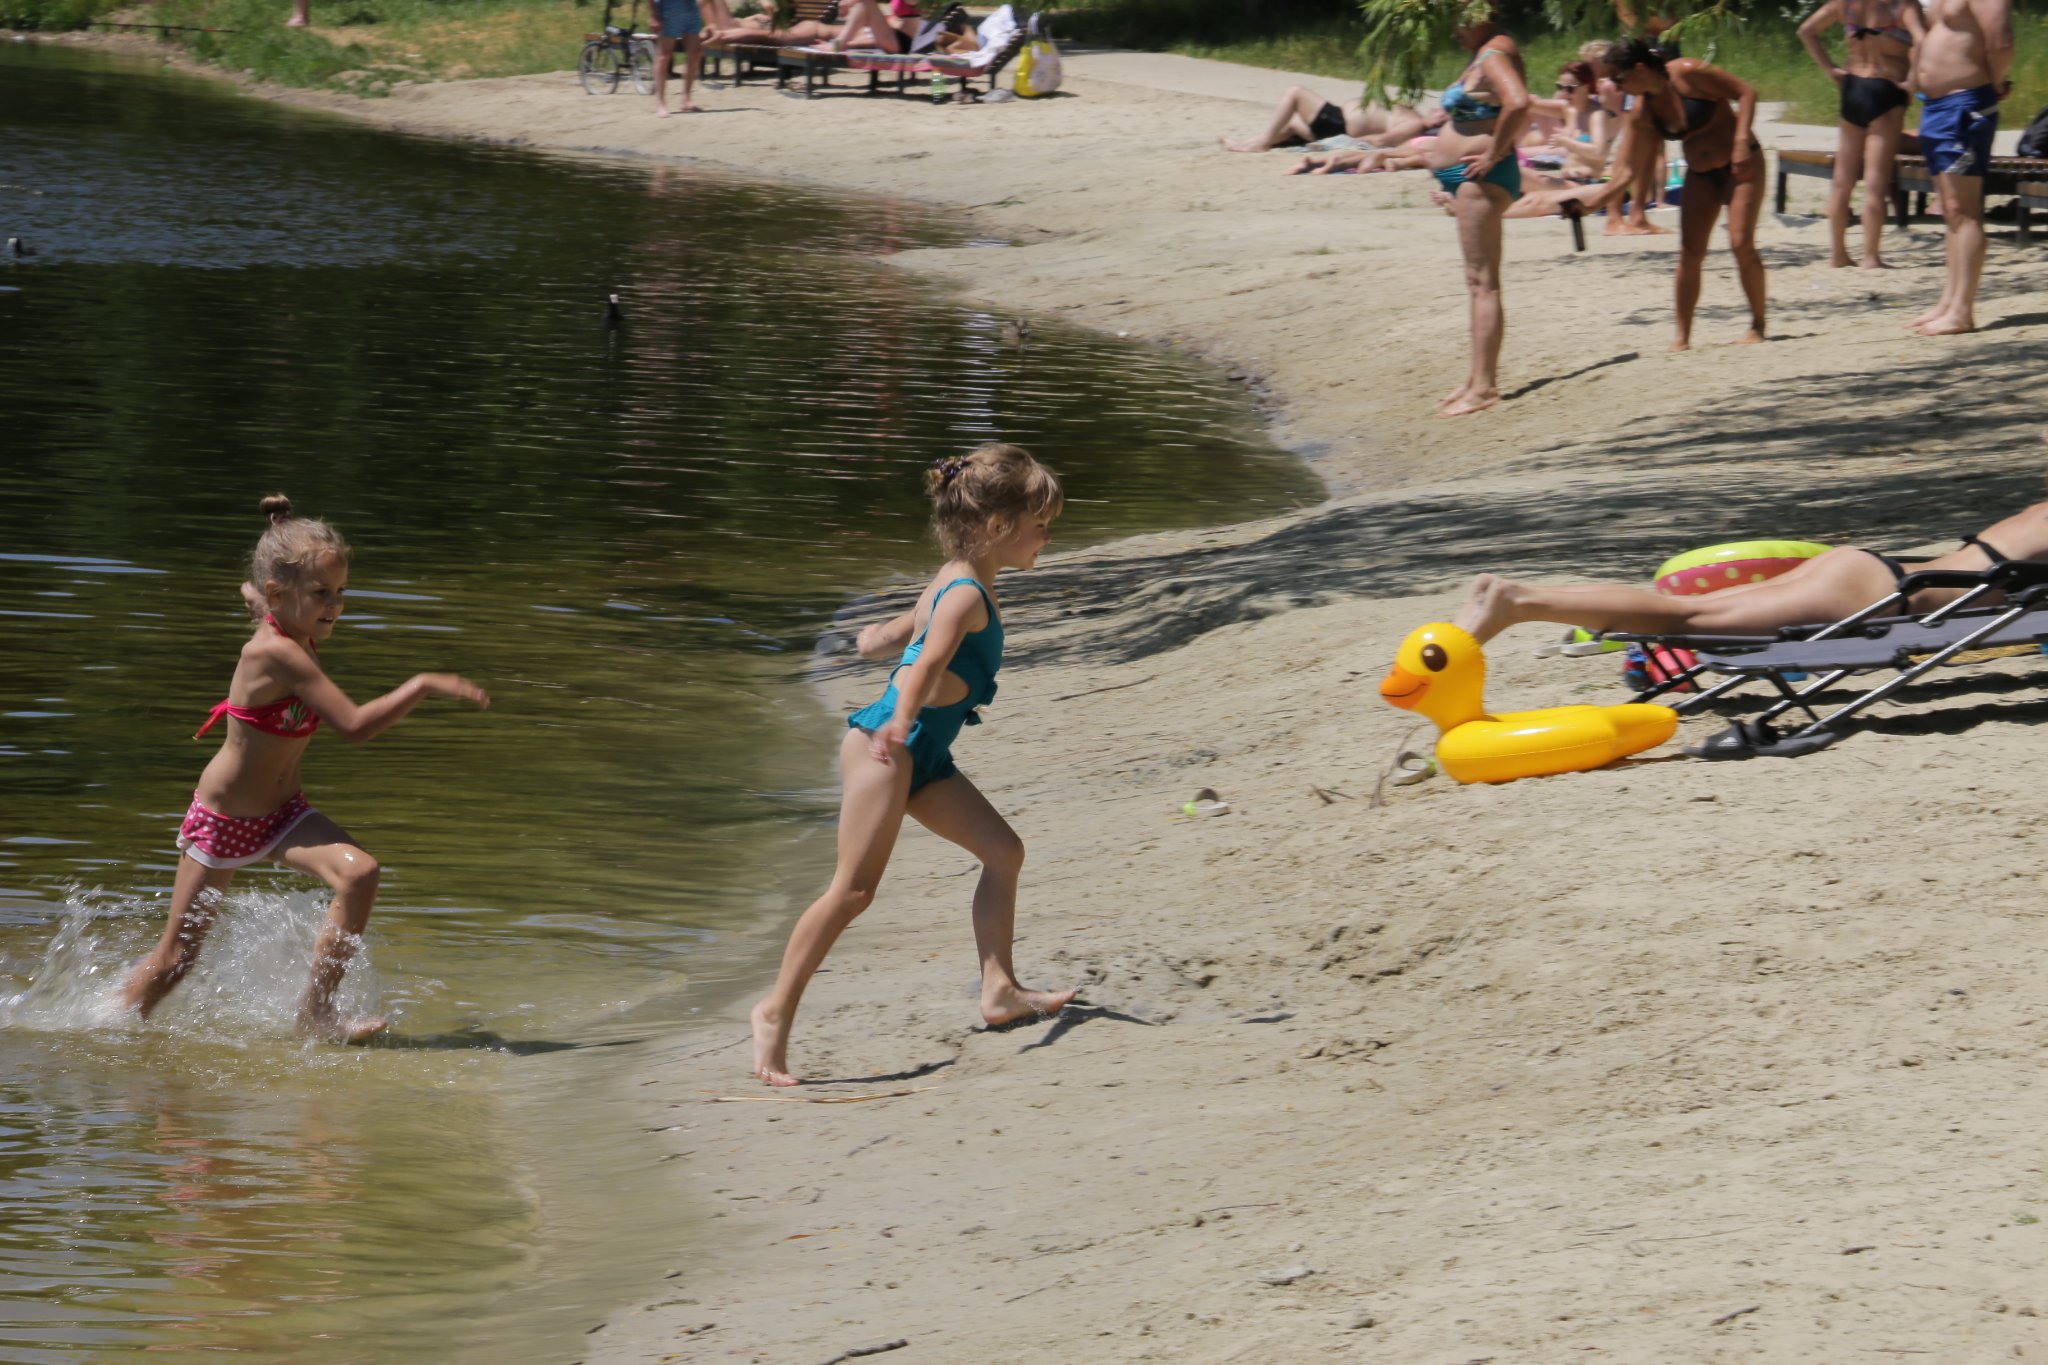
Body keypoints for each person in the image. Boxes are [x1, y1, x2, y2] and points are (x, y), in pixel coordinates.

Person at [750, 444, 1076, 1087]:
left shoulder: (962, 576)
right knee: (853, 891)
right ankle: (773, 1011)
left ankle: (1000, 991)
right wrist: (900, 713)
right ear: (996, 527)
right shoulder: (964, 594)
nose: (1047, 534)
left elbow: (915, 623)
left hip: (921, 754)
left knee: (1003, 852)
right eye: (1039, 521)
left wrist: (879, 635)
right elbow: (928, 661)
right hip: (888, 750)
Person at [121, 496, 489, 1043]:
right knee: (176, 961)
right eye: (322, 594)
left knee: (360, 874)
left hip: (283, 813)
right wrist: (422, 685)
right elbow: (356, 726)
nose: (336, 605)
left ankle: (316, 1012)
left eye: (341, 593)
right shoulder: (279, 653)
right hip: (223, 820)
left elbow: (256, 597)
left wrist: (271, 563)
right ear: (281, 595)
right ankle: (105, 1027)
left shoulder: (293, 629)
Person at [1450, 498, 2048, 646]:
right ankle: (1519, 604)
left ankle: (1520, 596)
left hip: (1869, 567)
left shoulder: (2037, 511)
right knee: (1692, 616)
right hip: (1886, 595)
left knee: (1692, 611)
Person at [1541, 41, 1765, 350]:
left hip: (1743, 165)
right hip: (1702, 175)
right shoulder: (1642, 113)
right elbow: (1627, 173)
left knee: (1741, 243)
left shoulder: (1688, 73)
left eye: (1618, 79)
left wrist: (1741, 141)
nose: (1615, 86)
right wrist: (1591, 204)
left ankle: (1757, 324)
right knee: (1689, 252)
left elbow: (1746, 92)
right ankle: (1682, 337)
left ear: (1640, 69)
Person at [1424, 8, 1531, 418]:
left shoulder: (1494, 54)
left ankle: (1485, 387)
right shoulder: (1484, 51)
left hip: (1482, 176)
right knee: (1475, 281)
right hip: (1467, 178)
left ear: (1480, 13)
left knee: (1484, 282)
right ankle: (1474, 378)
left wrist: (1494, 151)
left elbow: (1519, 102)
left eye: (1458, 18)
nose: (1454, 30)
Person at [1909, 0, 2015, 334]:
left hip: (1964, 106)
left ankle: (1963, 312)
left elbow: (2001, 43)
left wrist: (1993, 83)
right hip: (1937, 107)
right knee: (1950, 212)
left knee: (1963, 209)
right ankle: (1949, 301)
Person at [1799, 0, 1926, 269]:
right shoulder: (1902, 6)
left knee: (1842, 180)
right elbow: (1923, 41)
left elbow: (1806, 31)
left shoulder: (1845, 4)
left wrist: (1830, 68)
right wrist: (1912, 84)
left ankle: (1837, 254)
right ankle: (1870, 256)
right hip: (1886, 88)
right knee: (1875, 182)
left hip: (1852, 87)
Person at [1222, 88, 1440, 154]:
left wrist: (1341, 143)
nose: (1439, 109)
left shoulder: (1416, 124)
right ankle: (1250, 143)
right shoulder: (1413, 114)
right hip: (1336, 121)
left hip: (1340, 126)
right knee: (1293, 124)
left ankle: (1260, 143)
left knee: (1295, 94)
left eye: (1444, 112)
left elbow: (1383, 140)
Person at [652, 0, 706, 116]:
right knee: (664, 55)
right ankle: (661, 103)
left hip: (690, 7)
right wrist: (653, 15)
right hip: (668, 6)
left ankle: (686, 99)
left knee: (695, 52)